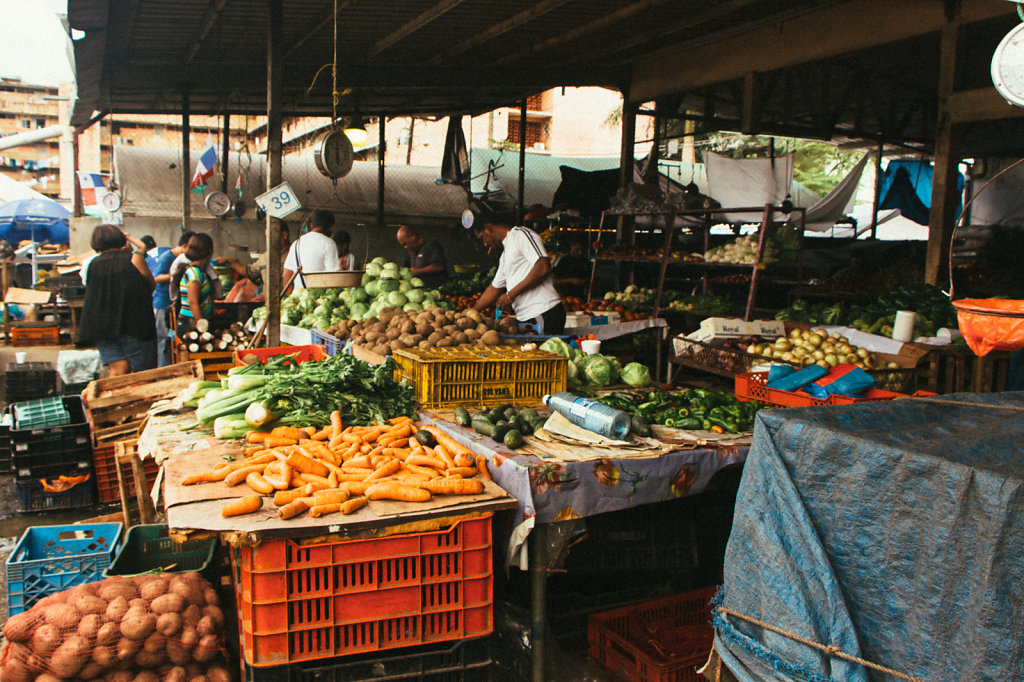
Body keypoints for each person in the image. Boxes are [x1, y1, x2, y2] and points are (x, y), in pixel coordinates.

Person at [470, 204, 566, 335]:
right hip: (529, 317)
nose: (485, 243)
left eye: (482, 238)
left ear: (488, 228)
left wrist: (511, 295)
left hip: (544, 311)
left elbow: (543, 266)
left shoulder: (521, 235)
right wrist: (471, 312)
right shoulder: (505, 255)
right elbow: (494, 289)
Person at [77, 224, 157, 377]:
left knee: (117, 373)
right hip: (135, 326)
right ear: (121, 239)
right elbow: (150, 286)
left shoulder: (93, 265)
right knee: (143, 376)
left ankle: (116, 400)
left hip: (103, 327)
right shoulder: (134, 259)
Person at [150, 231, 195, 367]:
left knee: (174, 339)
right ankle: (163, 371)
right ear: (184, 245)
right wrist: (175, 275)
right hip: (162, 302)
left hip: (174, 303)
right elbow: (156, 278)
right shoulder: (166, 257)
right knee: (163, 339)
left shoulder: (182, 258)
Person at [283, 209, 339, 294]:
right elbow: (334, 277)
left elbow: (287, 274)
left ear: (311, 225)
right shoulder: (329, 243)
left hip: (298, 297)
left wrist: (291, 299)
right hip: (318, 300)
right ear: (332, 227)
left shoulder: (296, 243)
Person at [173, 233, 215, 338]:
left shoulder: (198, 272)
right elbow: (193, 303)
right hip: (190, 326)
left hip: (192, 323)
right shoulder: (194, 273)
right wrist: (202, 327)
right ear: (210, 252)